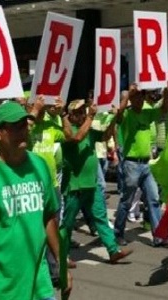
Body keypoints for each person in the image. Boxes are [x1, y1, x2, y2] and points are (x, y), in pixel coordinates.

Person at [0, 101, 72, 299]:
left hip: (42, 288)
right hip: (4, 292)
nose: (22, 131)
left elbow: (49, 219)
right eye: (14, 127)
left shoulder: (39, 165)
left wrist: (62, 265)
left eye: (24, 125)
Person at [60, 99, 132, 263]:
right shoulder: (67, 132)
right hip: (74, 187)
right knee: (68, 224)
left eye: (82, 111)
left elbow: (106, 135)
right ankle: (62, 257)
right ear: (70, 115)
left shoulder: (89, 130)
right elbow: (77, 138)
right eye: (77, 112)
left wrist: (114, 117)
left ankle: (113, 250)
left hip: (91, 186)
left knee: (101, 218)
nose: (81, 114)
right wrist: (91, 117)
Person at [113, 83, 168, 246]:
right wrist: (127, 95)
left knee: (153, 199)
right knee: (127, 200)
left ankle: (159, 235)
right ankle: (118, 233)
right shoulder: (127, 114)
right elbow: (117, 115)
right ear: (132, 99)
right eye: (136, 97)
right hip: (131, 164)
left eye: (141, 96)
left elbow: (165, 108)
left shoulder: (147, 113)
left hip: (147, 163)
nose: (139, 99)